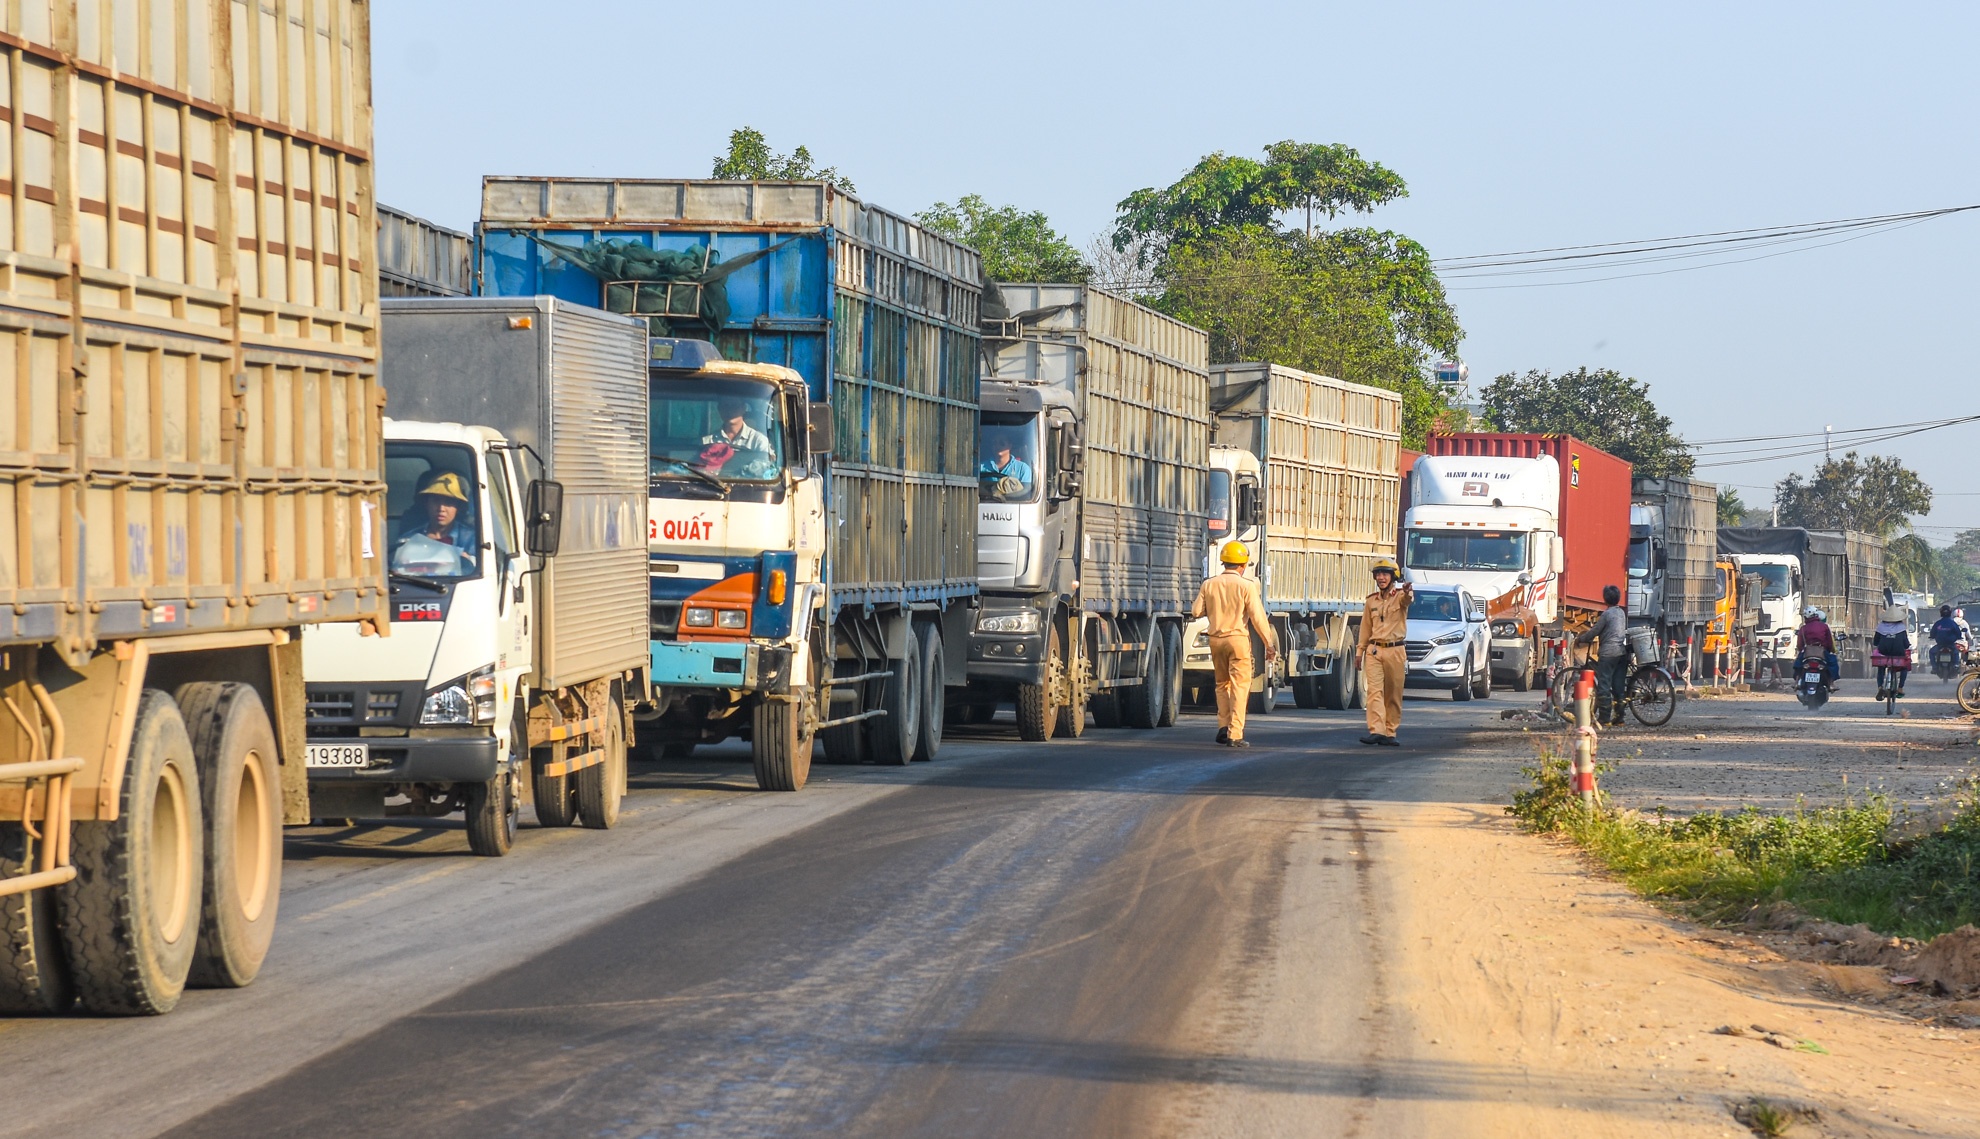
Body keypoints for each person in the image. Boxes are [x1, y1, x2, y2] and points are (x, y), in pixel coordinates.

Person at [1191, 541, 1276, 748]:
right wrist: (1269, 644)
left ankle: (1223, 726)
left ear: (1224, 562)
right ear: (1243, 565)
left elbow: (1195, 611)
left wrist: (1213, 609)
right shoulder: (1246, 586)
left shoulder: (1209, 584)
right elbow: (1258, 618)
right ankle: (1235, 734)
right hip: (1237, 640)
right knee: (1240, 685)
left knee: (1222, 684)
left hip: (1215, 640)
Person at [1357, 558, 1413, 746]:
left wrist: (1407, 591)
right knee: (1374, 692)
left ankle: (1390, 732)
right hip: (1374, 650)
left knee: (1393, 694)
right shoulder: (1371, 601)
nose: (1381, 578)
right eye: (1378, 574)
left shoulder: (1401, 596)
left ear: (1393, 577)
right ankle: (1377, 730)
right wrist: (1359, 652)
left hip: (1395, 650)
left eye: (1385, 574)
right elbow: (1365, 628)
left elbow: (1407, 600)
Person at [393, 471, 477, 575]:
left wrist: (466, 561)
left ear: (458, 507)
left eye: (448, 502)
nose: (441, 508)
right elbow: (397, 571)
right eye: (436, 501)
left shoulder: (471, 539)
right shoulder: (409, 539)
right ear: (426, 504)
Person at [1575, 584, 1630, 727]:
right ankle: (1620, 718)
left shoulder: (1606, 614)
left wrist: (1582, 638)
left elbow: (1595, 631)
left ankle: (1605, 718)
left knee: (1604, 685)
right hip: (1621, 652)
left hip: (1608, 654)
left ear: (1605, 599)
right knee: (1618, 686)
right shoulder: (1621, 612)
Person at [698, 396, 772, 474]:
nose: (729, 410)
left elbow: (767, 469)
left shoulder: (759, 441)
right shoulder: (706, 441)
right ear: (719, 410)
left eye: (734, 406)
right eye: (725, 406)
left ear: (744, 408)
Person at [1873, 604, 1913, 700]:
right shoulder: (1901, 627)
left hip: (1883, 652)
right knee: (1904, 668)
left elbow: (1875, 642)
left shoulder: (1881, 626)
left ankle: (1880, 687)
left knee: (1881, 668)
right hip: (1898, 653)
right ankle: (1900, 688)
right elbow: (1906, 643)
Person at [979, 430, 1034, 501]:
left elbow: (1026, 493)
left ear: (1010, 445)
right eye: (994, 443)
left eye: (1002, 443)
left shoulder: (1023, 469)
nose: (997, 446)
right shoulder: (981, 467)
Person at [1797, 606, 1837, 688]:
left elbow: (1799, 645)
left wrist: (1803, 651)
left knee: (1798, 664)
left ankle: (1797, 682)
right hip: (1822, 653)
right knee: (1833, 663)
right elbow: (1830, 642)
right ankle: (1831, 683)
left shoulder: (1803, 628)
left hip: (1807, 653)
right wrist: (1830, 651)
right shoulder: (1824, 627)